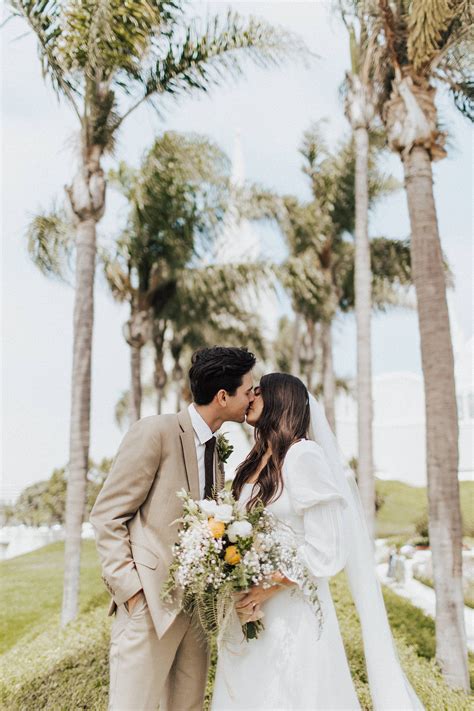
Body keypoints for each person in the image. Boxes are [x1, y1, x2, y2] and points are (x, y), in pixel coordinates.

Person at [211, 373, 423, 710]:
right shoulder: (251, 462)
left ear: (281, 400)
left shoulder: (302, 455)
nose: (250, 397)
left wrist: (269, 586)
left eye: (259, 392)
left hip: (291, 610)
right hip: (247, 609)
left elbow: (328, 550)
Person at [90, 346, 256, 711]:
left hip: (196, 613)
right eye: (248, 390)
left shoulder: (215, 452)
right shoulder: (155, 432)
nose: (251, 397)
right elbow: (107, 515)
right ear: (223, 396)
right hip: (148, 606)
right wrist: (132, 593)